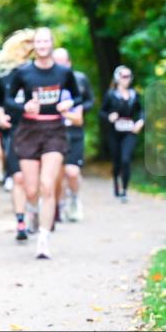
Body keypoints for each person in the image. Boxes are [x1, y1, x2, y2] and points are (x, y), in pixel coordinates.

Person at [5, 28, 82, 259]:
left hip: (54, 130)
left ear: (51, 43)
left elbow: (78, 96)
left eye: (46, 41)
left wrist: (67, 105)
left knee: (47, 185)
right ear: (33, 45)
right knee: (31, 190)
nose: (42, 45)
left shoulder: (63, 73)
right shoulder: (23, 72)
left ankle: (43, 238)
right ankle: (33, 211)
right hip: (29, 130)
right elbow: (8, 100)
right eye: (38, 41)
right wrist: (23, 107)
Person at [0, 29, 35, 240]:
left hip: (39, 130)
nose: (29, 48)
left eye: (32, 44)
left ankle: (37, 211)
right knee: (18, 177)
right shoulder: (4, 74)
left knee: (34, 181)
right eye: (25, 43)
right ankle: (21, 221)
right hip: (14, 130)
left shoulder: (40, 70)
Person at [52, 48, 94, 221]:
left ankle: (75, 199)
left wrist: (80, 110)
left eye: (63, 61)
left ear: (69, 63)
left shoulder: (80, 80)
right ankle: (59, 205)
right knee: (58, 174)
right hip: (54, 132)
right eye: (56, 61)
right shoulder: (46, 82)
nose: (60, 65)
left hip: (75, 131)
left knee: (72, 172)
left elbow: (89, 100)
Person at [100, 65, 144, 202]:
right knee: (117, 161)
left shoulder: (134, 94)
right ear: (117, 78)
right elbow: (101, 112)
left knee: (126, 159)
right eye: (124, 76)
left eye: (129, 76)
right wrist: (109, 117)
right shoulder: (110, 94)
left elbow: (142, 110)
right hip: (114, 132)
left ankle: (124, 190)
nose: (127, 79)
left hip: (130, 131)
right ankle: (116, 185)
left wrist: (141, 121)